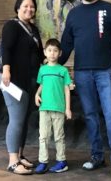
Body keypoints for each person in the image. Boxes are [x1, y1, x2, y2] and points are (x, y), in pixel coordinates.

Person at [60, 0, 111, 178]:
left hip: (106, 72)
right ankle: (97, 156)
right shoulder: (73, 14)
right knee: (90, 116)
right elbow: (65, 45)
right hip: (82, 74)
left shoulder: (109, 9)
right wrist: (52, 66)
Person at [0, 0, 44, 175]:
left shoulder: (33, 29)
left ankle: (20, 154)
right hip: (14, 81)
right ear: (18, 8)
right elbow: (6, 48)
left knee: (24, 120)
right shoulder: (12, 26)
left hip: (29, 81)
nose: (29, 9)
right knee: (17, 120)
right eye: (25, 6)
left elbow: (40, 54)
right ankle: (12, 161)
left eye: (32, 6)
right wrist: (6, 70)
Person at [34, 38, 72, 174]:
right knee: (43, 136)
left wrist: (67, 108)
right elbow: (41, 85)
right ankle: (43, 162)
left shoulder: (63, 71)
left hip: (59, 109)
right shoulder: (42, 70)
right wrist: (36, 94)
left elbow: (67, 89)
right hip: (44, 108)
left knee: (59, 136)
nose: (52, 53)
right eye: (49, 50)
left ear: (60, 53)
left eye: (55, 51)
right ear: (45, 52)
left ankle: (62, 161)